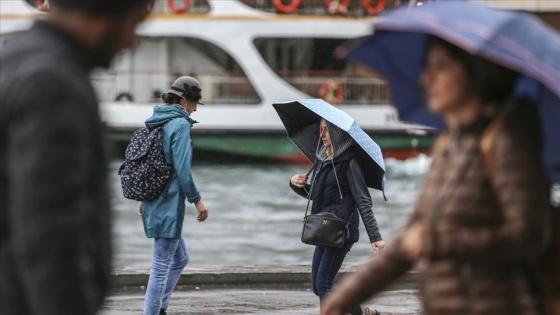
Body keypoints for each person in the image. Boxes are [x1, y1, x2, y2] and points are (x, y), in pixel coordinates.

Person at [321, 36, 552, 315]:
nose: (427, 78)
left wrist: (439, 242)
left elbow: (528, 235)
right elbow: (410, 239)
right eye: (427, 68)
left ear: (474, 74)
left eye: (441, 67)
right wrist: (344, 298)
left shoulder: (505, 142)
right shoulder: (449, 146)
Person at [0, 1, 149, 314]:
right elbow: (51, 233)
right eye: (135, 25)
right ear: (109, 17)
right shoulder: (55, 82)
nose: (132, 41)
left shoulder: (13, 56)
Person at [290, 118, 385, 315]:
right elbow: (315, 196)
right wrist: (295, 184)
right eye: (321, 130)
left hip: (342, 230)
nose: (321, 135)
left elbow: (363, 200)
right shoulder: (322, 159)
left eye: (326, 131)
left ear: (337, 134)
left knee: (323, 284)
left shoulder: (349, 162)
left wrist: (375, 237)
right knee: (319, 287)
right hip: (323, 229)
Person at [140, 76, 209, 315]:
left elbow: (150, 162)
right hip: (168, 202)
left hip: (155, 198)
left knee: (180, 258)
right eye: (193, 101)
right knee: (160, 266)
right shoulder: (179, 125)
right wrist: (197, 199)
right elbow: (182, 168)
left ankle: (160, 308)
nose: (195, 107)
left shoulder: (157, 121)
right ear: (182, 100)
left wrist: (144, 197)